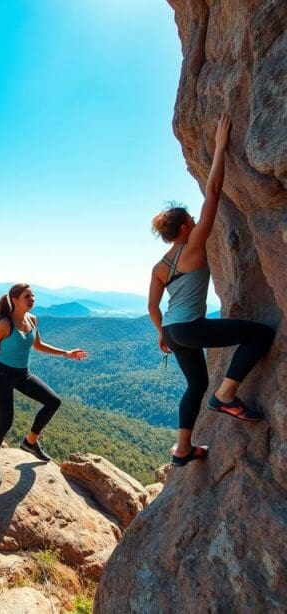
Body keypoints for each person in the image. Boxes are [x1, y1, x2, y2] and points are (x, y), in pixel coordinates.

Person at [148, 115, 275, 467]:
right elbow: (214, 194)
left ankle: (183, 450)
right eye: (191, 220)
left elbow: (152, 307)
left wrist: (162, 333)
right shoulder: (193, 245)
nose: (195, 222)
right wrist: (220, 147)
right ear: (186, 226)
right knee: (260, 335)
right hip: (189, 328)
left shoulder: (160, 265)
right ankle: (226, 395)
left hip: (175, 332)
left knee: (194, 385)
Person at [0, 284, 87, 486]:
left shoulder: (32, 319)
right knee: (6, 422)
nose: (32, 299)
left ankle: (29, 442)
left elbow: (37, 345)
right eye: (27, 296)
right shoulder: (4, 324)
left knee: (53, 401)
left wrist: (66, 353)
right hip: (1, 376)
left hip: (22, 374)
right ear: (15, 300)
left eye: (33, 295)